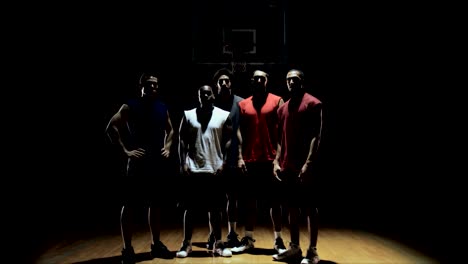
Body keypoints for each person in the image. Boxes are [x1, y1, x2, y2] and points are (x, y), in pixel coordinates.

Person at [105, 73, 175, 264]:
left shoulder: (162, 107)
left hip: (156, 164)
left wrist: (167, 147)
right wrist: (126, 151)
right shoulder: (130, 106)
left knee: (156, 205)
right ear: (141, 87)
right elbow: (111, 126)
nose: (154, 88)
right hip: (138, 163)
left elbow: (171, 130)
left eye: (156, 85)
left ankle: (156, 244)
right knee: (129, 206)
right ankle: (127, 249)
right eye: (150, 85)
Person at [232, 69, 287, 255]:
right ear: (252, 81)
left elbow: (282, 133)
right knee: (249, 202)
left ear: (267, 81)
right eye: (255, 78)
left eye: (261, 78)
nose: (258, 80)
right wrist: (240, 157)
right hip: (249, 160)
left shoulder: (277, 100)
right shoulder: (243, 104)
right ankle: (248, 239)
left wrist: (278, 159)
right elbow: (239, 133)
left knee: (275, 203)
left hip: (271, 161)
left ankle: (278, 240)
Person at [176, 85, 233, 258]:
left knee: (215, 209)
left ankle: (218, 243)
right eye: (201, 94)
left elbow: (229, 141)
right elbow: (182, 141)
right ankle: (187, 244)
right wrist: (182, 163)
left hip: (214, 168)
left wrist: (224, 162)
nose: (204, 96)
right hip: (193, 168)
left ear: (213, 95)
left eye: (208, 93)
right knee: (190, 209)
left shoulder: (223, 115)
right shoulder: (188, 114)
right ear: (198, 96)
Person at [272, 69, 322, 264]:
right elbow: (279, 140)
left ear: (302, 82)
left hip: (306, 166)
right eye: (288, 80)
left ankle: (312, 251)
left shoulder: (313, 103)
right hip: (287, 166)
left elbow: (316, 135)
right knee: (292, 208)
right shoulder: (282, 109)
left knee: (310, 208)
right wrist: (276, 161)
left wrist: (308, 163)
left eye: (295, 79)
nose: (291, 82)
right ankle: (294, 248)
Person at [209, 68, 245, 249]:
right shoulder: (209, 102)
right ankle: (214, 235)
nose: (224, 83)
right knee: (214, 200)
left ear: (231, 83)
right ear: (216, 86)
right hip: (212, 157)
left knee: (233, 198)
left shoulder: (241, 103)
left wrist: (241, 156)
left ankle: (232, 234)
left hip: (233, 158)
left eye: (227, 81)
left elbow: (243, 132)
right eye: (220, 81)